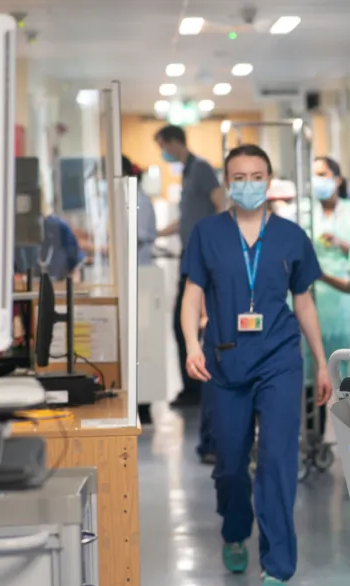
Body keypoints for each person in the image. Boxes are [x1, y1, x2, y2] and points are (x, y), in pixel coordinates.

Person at [180, 143, 332, 586]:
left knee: (277, 460)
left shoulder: (290, 237)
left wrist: (322, 362)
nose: (248, 184)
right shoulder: (208, 233)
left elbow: (303, 301)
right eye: (239, 176)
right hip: (225, 360)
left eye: (256, 175)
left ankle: (278, 566)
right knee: (229, 465)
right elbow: (192, 294)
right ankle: (234, 529)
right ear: (228, 182)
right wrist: (191, 344)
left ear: (270, 180)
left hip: (280, 358)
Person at [155, 124, 226, 446]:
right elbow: (186, 218)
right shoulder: (187, 172)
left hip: (203, 258)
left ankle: (196, 386)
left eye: (162, 146)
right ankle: (192, 385)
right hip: (190, 255)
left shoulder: (200, 168)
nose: (163, 152)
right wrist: (156, 234)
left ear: (173, 142)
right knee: (183, 323)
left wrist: (215, 247)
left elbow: (220, 203)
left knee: (190, 322)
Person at [308, 157, 350, 364]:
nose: (316, 180)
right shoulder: (305, 211)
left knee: (345, 353)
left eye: (322, 175)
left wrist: (341, 243)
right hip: (312, 293)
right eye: (313, 175)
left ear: (337, 179)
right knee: (314, 353)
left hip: (343, 295)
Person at [122, 155, 158, 267]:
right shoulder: (124, 199)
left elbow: (137, 239)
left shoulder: (139, 201)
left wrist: (103, 249)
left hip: (138, 266)